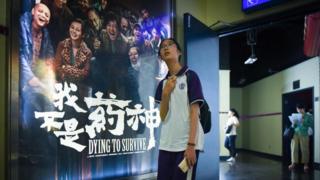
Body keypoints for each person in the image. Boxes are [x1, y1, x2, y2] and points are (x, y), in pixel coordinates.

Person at [155, 38, 204, 180]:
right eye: (163, 47)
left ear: (179, 51)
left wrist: (191, 145)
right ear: (161, 56)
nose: (166, 48)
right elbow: (163, 116)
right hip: (166, 145)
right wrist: (165, 93)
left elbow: (195, 112)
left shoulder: (190, 76)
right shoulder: (163, 84)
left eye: (170, 45)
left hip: (186, 145)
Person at [288, 104, 313, 172]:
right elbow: (295, 125)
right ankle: (293, 163)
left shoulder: (308, 116)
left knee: (304, 149)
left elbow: (311, 124)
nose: (299, 110)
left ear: (303, 109)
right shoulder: (296, 115)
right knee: (293, 148)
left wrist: (303, 121)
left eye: (300, 109)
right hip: (295, 133)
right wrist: (293, 123)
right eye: (297, 109)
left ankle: (305, 164)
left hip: (304, 133)